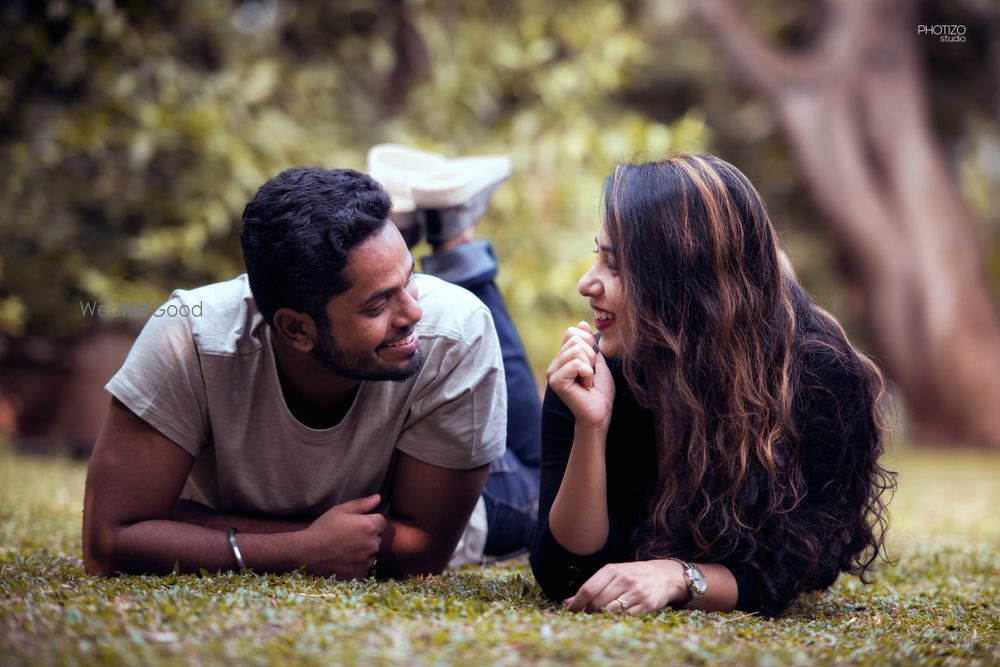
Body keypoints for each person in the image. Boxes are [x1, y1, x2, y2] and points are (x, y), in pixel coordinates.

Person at [83, 161, 539, 579]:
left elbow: (422, 550)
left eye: (410, 278)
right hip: (408, 424)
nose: (413, 311)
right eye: (378, 303)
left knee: (540, 485)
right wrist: (302, 548)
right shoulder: (192, 338)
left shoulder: (451, 330)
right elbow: (108, 542)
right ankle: (439, 232)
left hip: (471, 480)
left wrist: (188, 524)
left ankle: (454, 234)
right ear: (296, 329)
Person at [530, 154, 895, 618]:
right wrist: (591, 425)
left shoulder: (816, 379)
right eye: (597, 257)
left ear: (683, 281)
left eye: (616, 266)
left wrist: (680, 576)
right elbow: (567, 573)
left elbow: (794, 568)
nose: (587, 284)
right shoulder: (596, 371)